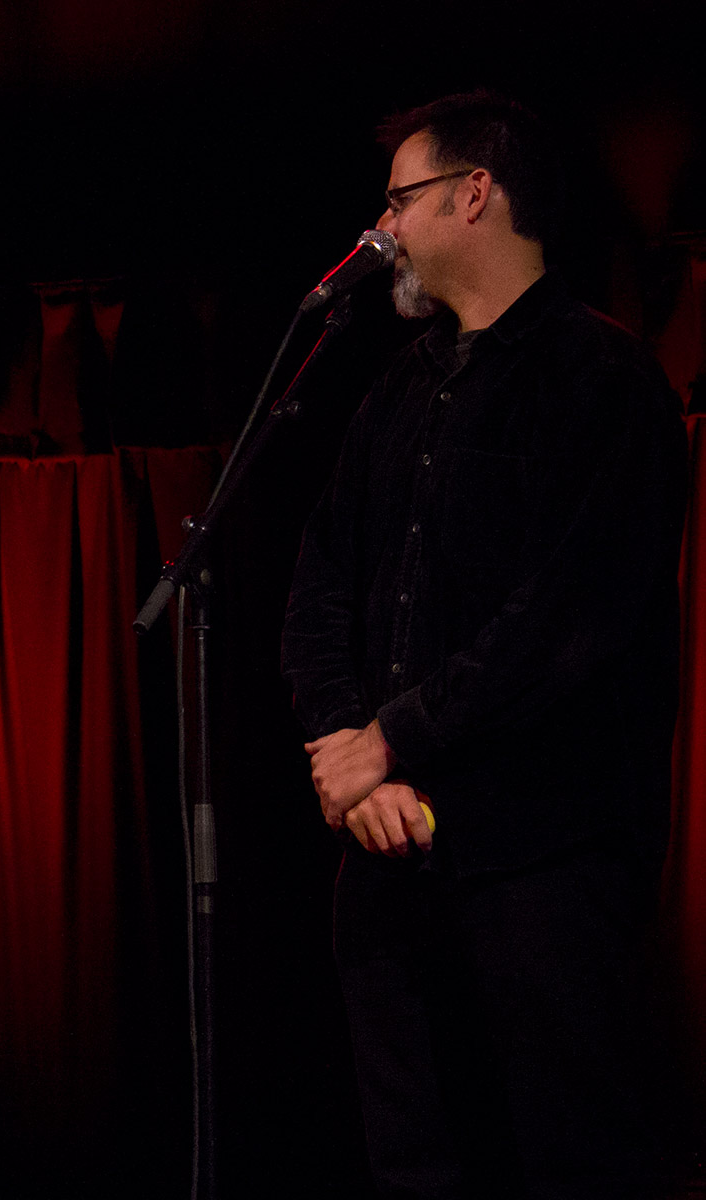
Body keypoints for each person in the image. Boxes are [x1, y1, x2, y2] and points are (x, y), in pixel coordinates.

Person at [282, 92, 687, 1197]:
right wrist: (345, 745)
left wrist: (393, 739)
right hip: (389, 861)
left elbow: (566, 621)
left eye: (400, 200)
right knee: (416, 1159)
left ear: (476, 194)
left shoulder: (598, 377)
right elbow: (318, 584)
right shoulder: (395, 394)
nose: (382, 231)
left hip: (541, 859)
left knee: (568, 1154)